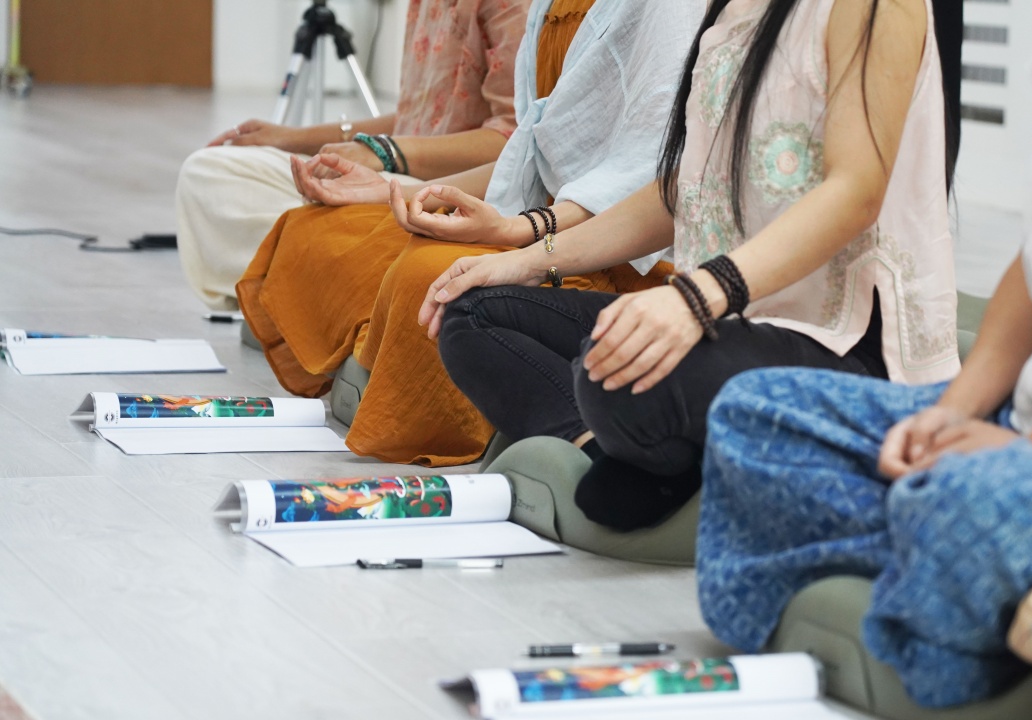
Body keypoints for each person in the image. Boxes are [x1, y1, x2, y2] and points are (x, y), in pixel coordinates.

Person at [695, 0, 1032, 709]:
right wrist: (955, 410)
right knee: (754, 416)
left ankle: (939, 581)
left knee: (970, 508)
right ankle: (962, 587)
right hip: (1023, 433)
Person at [430, 0, 960, 531]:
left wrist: (697, 296)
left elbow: (856, 190)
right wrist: (526, 259)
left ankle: (649, 447)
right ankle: (608, 446)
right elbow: (687, 188)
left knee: (614, 369)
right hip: (731, 322)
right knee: (471, 311)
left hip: (843, 344)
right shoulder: (730, 7)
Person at [236, 0, 705, 466]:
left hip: (613, 249)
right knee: (320, 227)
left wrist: (522, 234)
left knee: (435, 281)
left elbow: (650, 176)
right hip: (531, 219)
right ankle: (378, 357)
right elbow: (532, 153)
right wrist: (395, 190)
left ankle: (404, 374)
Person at [175, 0, 529, 309]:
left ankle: (296, 294)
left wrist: (384, 152)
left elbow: (515, 143)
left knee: (324, 218)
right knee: (210, 173)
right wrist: (293, 138)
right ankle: (297, 294)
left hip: (451, 190)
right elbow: (419, 117)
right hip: (405, 169)